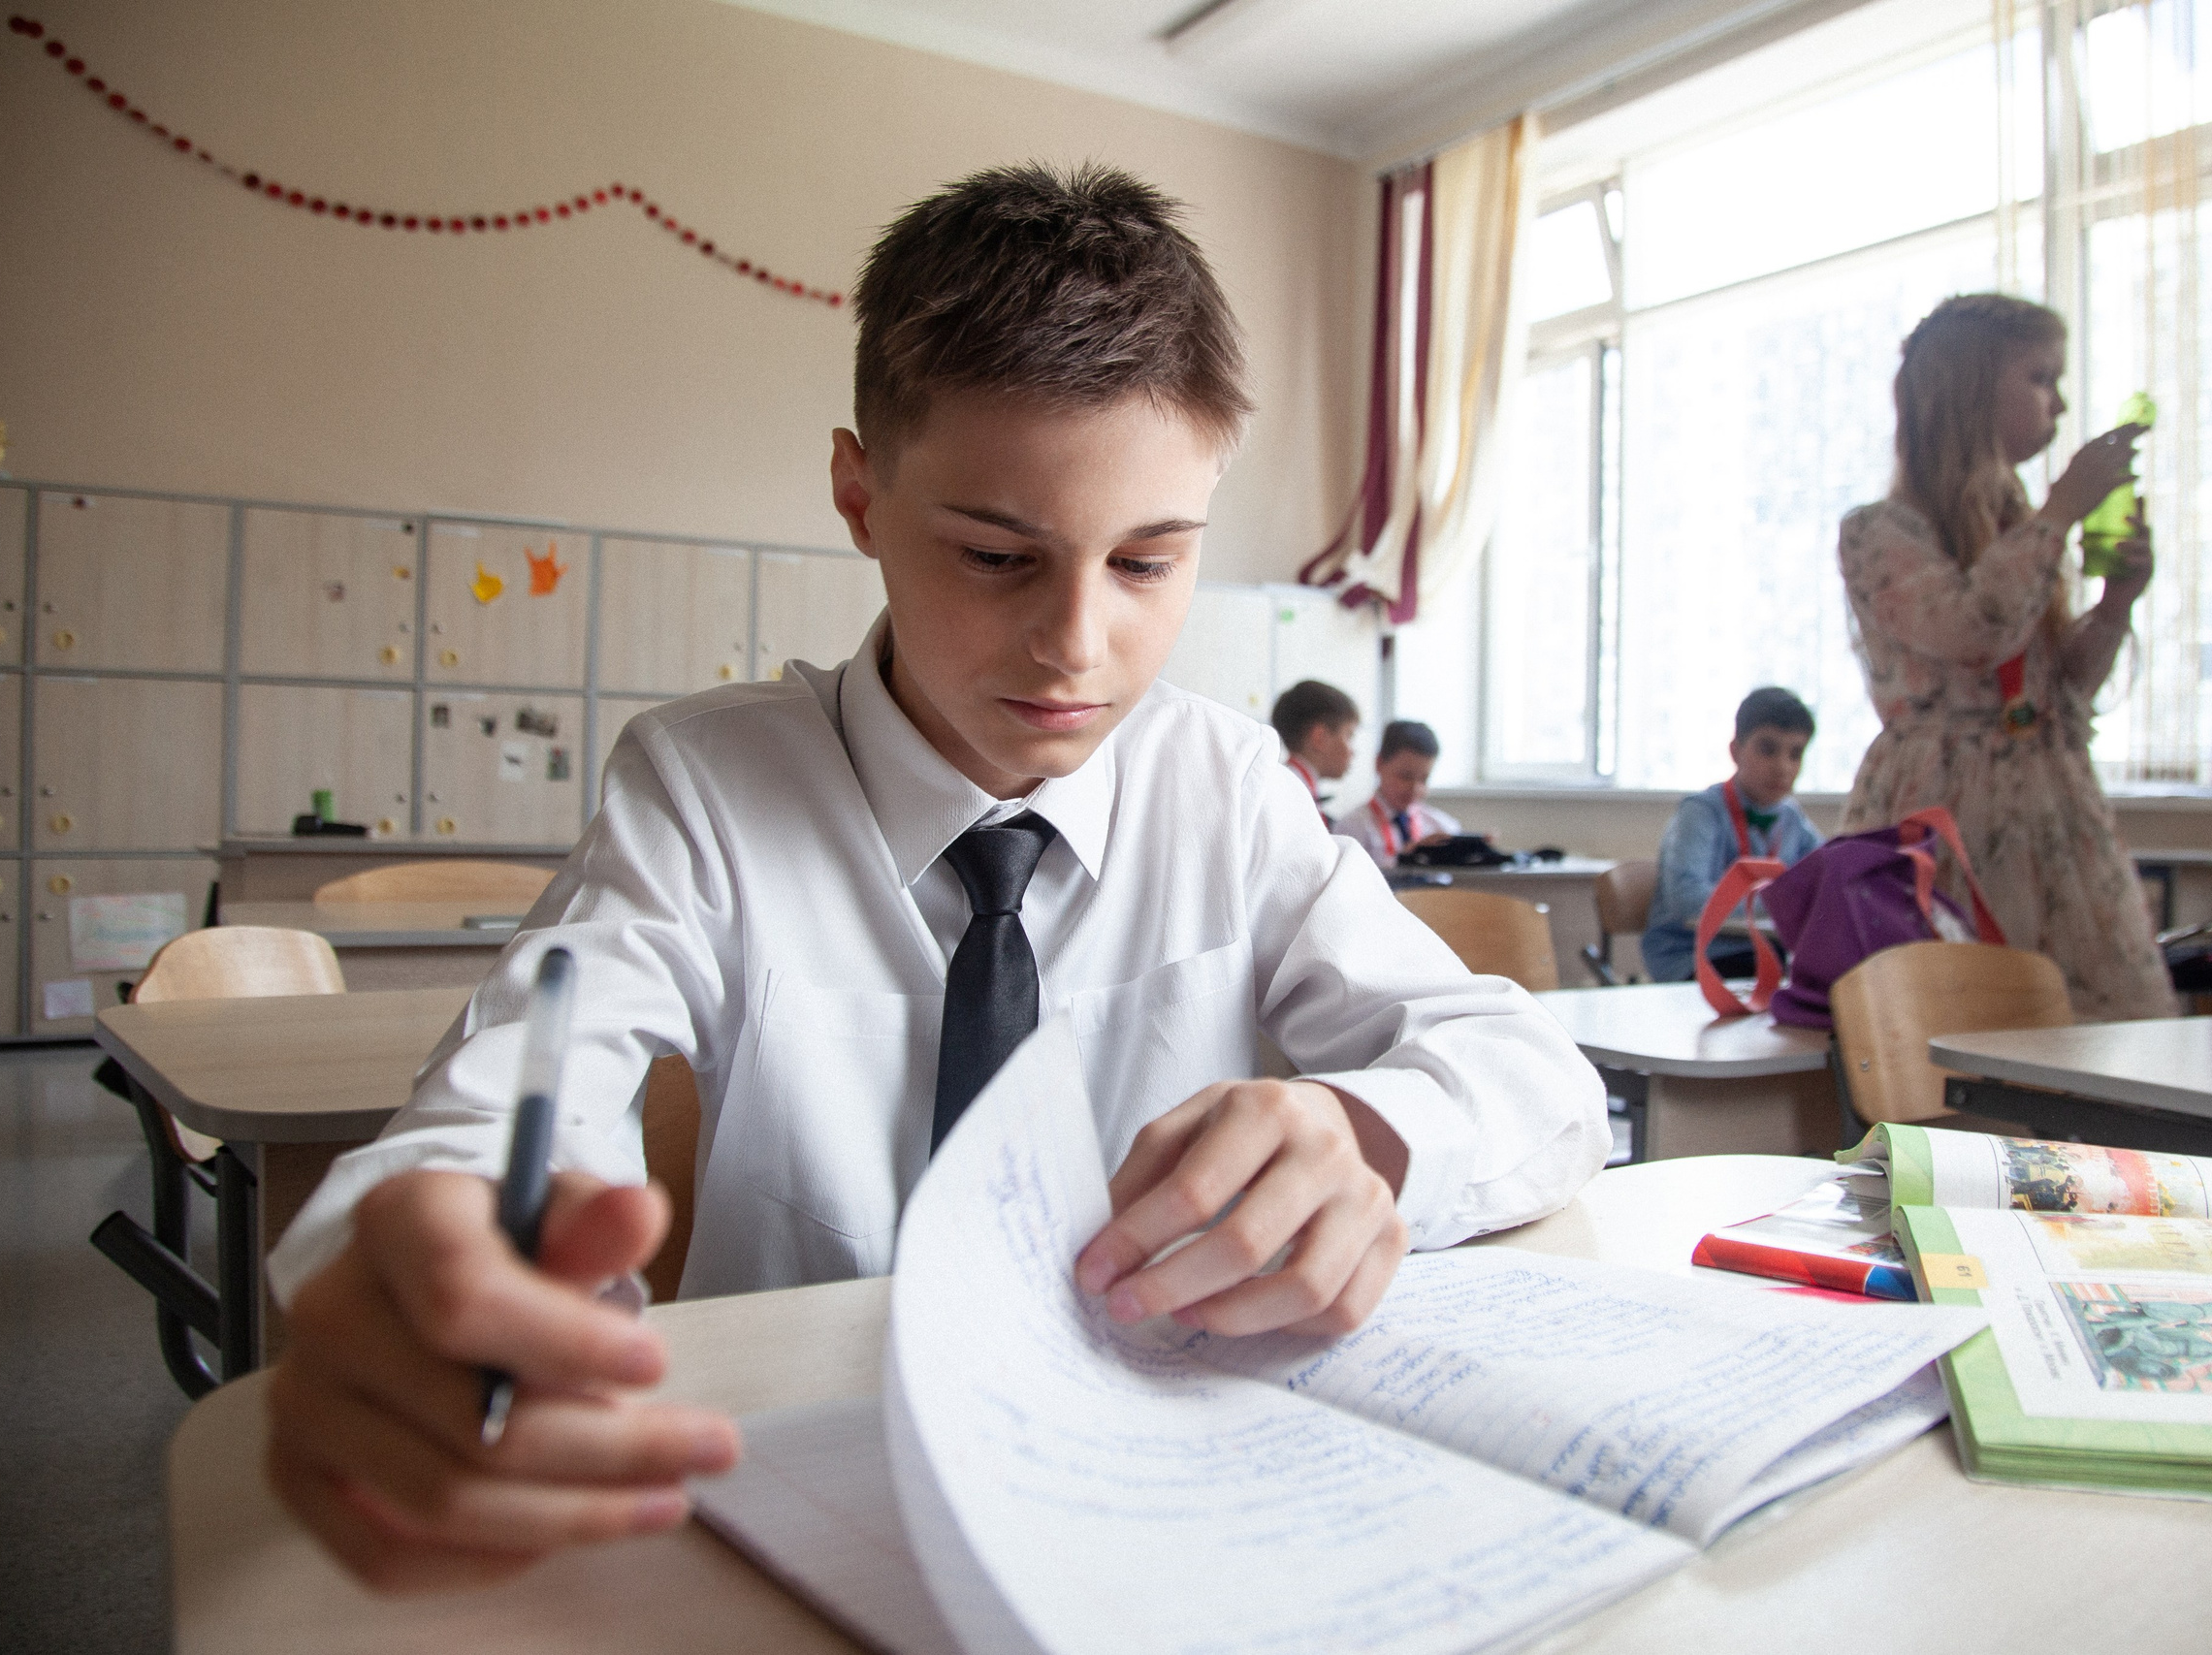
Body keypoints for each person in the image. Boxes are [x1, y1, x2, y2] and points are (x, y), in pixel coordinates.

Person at [260, 163, 1609, 1592]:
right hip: (789, 1501)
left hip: (1157, 1496)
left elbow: (1534, 1076)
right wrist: (431, 1271)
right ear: (860, 492)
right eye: (994, 554)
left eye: (1150, 561)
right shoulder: (705, 792)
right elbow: (495, 1120)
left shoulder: (1222, 788)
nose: (1077, 645)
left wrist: (1366, 1133)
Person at [1838, 293, 2177, 1021]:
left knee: (2082, 1032)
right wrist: (2059, 512)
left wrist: (2116, 601)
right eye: (2039, 377)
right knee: (1958, 1029)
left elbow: (2060, 691)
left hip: (2049, 805)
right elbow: (1972, 632)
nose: (2058, 402)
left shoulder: (2019, 527)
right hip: (1944, 807)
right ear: (1969, 388)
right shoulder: (1880, 530)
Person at [1641, 687, 1827, 982]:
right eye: (1767, 749)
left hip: (1763, 952)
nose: (1783, 767)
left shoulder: (1793, 819)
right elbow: (1687, 897)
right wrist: (1779, 902)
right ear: (1735, 750)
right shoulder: (1701, 811)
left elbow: (1826, 881)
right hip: (1691, 955)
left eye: (1796, 754)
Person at [1337, 720, 1461, 869]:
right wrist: (1407, 858)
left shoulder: (1443, 826)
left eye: (1424, 779)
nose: (1414, 788)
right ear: (1379, 764)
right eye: (1405, 776)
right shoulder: (1351, 828)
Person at [1268, 679, 1359, 825]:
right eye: (1349, 736)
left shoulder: (1292, 785)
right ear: (1320, 738)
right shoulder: (1294, 794)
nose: (1352, 751)